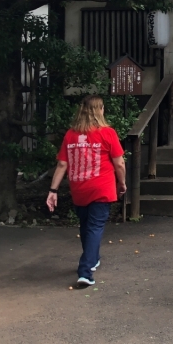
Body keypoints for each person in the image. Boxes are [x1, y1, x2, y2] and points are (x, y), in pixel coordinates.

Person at [46, 95, 126, 289]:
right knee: (95, 227)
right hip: (101, 187)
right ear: (100, 110)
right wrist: (122, 183)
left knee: (85, 225)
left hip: (79, 188)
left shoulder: (71, 135)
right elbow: (119, 163)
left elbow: (62, 164)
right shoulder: (107, 133)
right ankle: (85, 271)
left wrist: (53, 190)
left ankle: (93, 258)